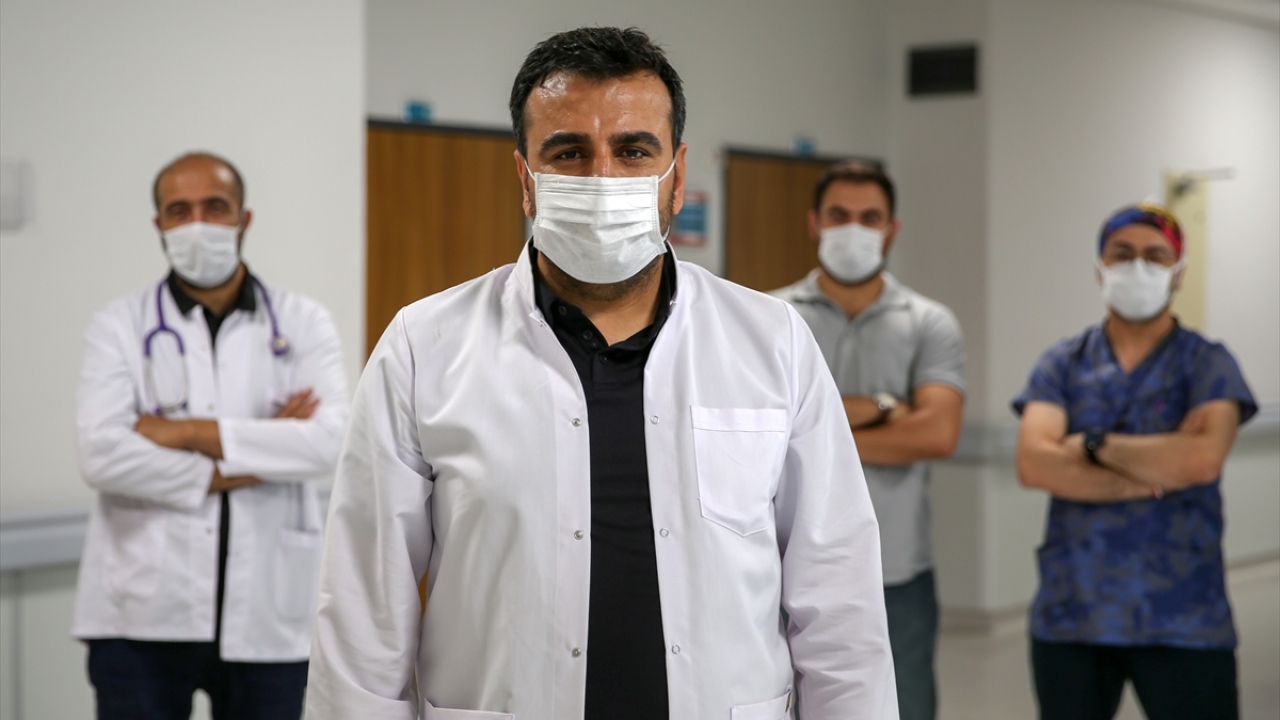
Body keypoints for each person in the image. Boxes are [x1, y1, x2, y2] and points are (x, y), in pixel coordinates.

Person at [306, 27, 897, 720]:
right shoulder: (424, 347)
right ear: (525, 178)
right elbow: (363, 613)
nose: (603, 179)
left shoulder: (772, 342)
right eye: (569, 153)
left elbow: (840, 603)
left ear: (677, 175)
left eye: (633, 151)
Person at [73, 152, 350, 720]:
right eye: (179, 211)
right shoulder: (117, 326)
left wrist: (182, 433)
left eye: (214, 207)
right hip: (140, 617)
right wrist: (268, 444)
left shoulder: (303, 322)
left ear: (243, 219)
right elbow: (102, 456)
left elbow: (329, 442)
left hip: (268, 615)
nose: (197, 225)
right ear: (159, 225)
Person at [1012, 203, 1257, 720]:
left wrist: (1091, 445)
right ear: (1099, 268)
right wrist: (1157, 472)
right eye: (1121, 254)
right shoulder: (1063, 363)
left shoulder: (1207, 363)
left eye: (1155, 256)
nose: (1137, 267)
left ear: (1179, 271)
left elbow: (1200, 462)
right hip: (1072, 616)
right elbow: (1035, 464)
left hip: (1183, 618)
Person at [772, 161, 965, 720]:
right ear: (814, 223)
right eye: (839, 215)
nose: (853, 229)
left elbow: (936, 432)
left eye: (869, 217)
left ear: (891, 229)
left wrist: (804, 433)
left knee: (904, 708)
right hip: (780, 565)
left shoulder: (929, 322)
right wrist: (884, 408)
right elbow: (756, 435)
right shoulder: (770, 317)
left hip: (894, 572)